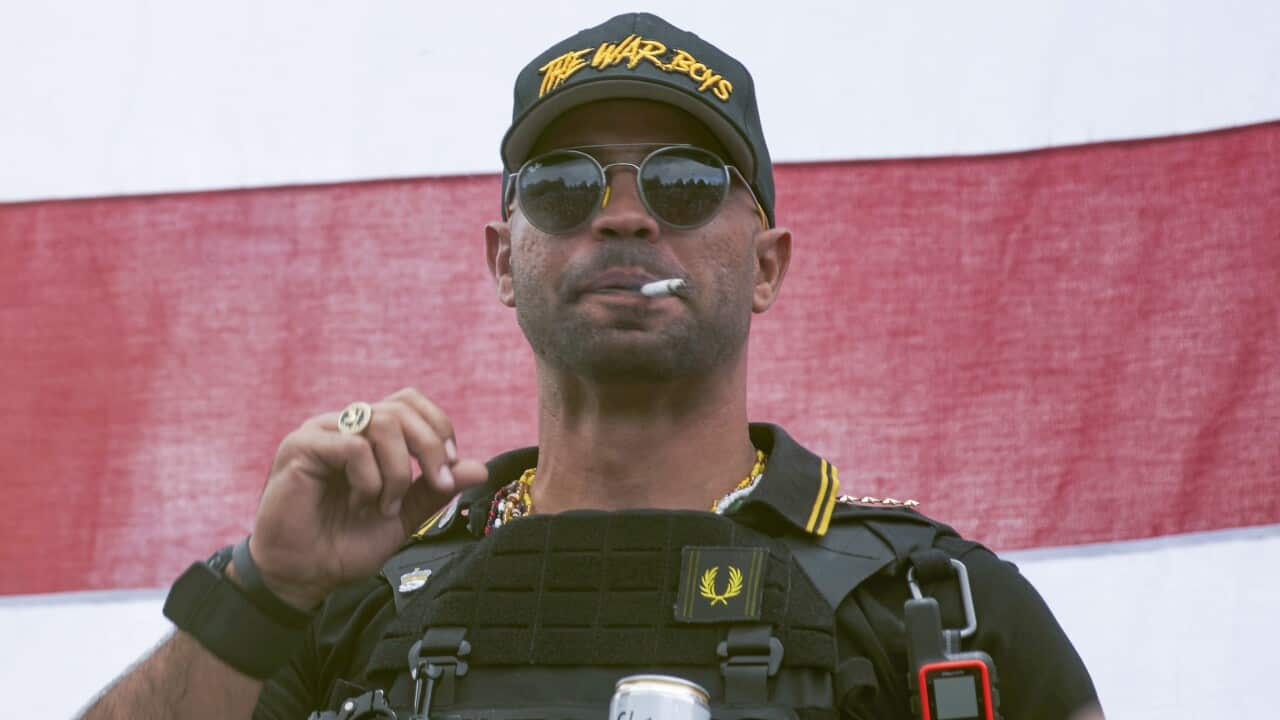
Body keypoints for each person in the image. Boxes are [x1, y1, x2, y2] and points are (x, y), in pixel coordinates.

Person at [81, 12, 1103, 720]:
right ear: (499, 259)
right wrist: (266, 589)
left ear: (765, 266)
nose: (624, 212)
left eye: (687, 181)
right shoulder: (358, 599)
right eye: (565, 184)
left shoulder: (933, 604)